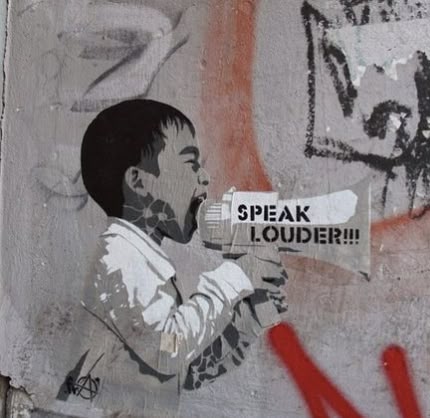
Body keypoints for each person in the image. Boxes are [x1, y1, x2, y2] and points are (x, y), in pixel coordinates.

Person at [80, 99, 288, 398]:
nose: (205, 177)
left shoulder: (142, 259)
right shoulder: (120, 258)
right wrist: (234, 277)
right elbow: (167, 350)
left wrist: (249, 314)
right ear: (139, 182)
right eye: (191, 163)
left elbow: (186, 370)